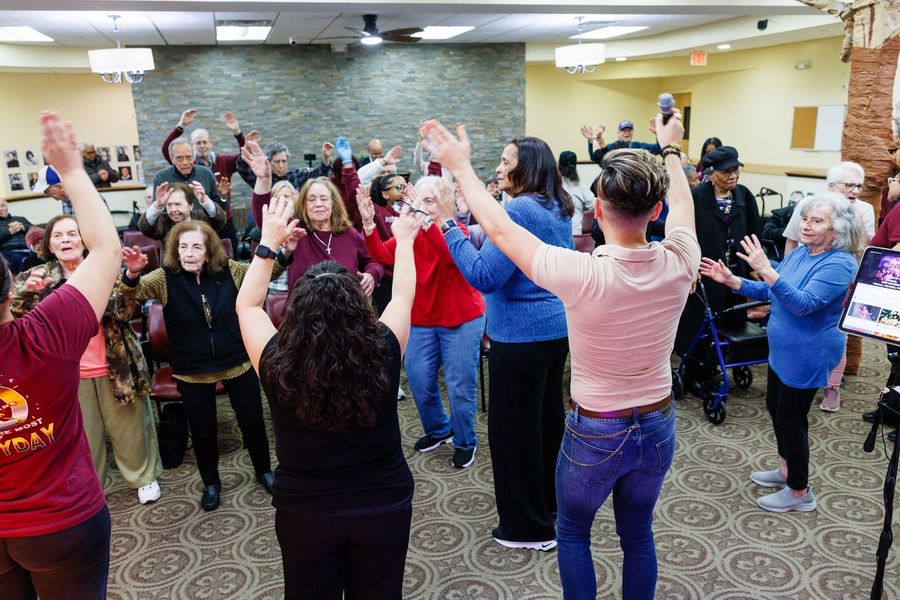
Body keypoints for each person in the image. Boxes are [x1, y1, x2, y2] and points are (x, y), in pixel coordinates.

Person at [421, 108, 696, 599]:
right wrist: (671, 150)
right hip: (659, 423)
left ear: (596, 211)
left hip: (597, 428)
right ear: (655, 212)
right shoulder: (681, 261)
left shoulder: (581, 274)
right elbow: (683, 204)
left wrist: (460, 168)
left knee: (572, 533)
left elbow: (501, 234)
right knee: (637, 534)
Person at [235, 194, 419, 600]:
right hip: (382, 503)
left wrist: (267, 245)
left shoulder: (276, 361)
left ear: (295, 312)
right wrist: (404, 242)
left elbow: (247, 305)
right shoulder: (383, 350)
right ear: (359, 307)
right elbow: (403, 297)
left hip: (305, 510)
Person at [0, 111, 122, 599]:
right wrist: (72, 172)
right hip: (63, 522)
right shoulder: (45, 333)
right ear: (10, 291)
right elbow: (106, 252)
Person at [438, 134, 573, 551]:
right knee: (546, 427)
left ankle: (527, 528)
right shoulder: (557, 205)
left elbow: (483, 276)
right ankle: (549, 507)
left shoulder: (521, 209)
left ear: (526, 169)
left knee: (514, 434)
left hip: (520, 338)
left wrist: (450, 227)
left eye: (504, 161)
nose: (497, 168)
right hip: (554, 332)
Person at [700, 193, 858, 513]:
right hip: (782, 350)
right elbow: (773, 290)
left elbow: (803, 304)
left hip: (808, 354)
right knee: (776, 407)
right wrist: (734, 281)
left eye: (817, 221)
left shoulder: (840, 264)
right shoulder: (802, 253)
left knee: (792, 420)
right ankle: (786, 470)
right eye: (805, 219)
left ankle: (800, 492)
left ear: (837, 230)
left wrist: (765, 268)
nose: (807, 226)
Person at [120, 220, 279, 510]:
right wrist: (131, 273)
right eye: (183, 247)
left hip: (236, 362)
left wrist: (285, 250)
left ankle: (264, 471)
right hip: (192, 370)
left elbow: (268, 271)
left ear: (209, 252)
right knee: (203, 431)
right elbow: (132, 292)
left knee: (253, 422)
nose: (189, 253)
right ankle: (211, 484)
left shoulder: (230, 270)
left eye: (196, 246)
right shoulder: (164, 277)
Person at [13, 214, 162, 504]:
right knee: (82, 434)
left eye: (72, 234)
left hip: (114, 365)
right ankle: (91, 484)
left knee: (129, 427)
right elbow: (14, 314)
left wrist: (131, 277)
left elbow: (123, 312)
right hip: (65, 372)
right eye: (58, 235)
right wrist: (27, 292)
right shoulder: (38, 277)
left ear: (84, 241)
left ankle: (143, 477)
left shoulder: (102, 270)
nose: (66, 240)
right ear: (49, 245)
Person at [361, 176, 486, 468]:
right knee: (419, 380)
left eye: (428, 201)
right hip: (422, 319)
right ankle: (439, 430)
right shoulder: (411, 234)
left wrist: (428, 221)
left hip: (461, 317)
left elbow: (448, 256)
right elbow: (381, 253)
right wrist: (369, 225)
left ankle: (465, 440)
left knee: (459, 384)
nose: (420, 207)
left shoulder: (457, 230)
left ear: (446, 204)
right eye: (417, 200)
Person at [243, 140, 383, 295]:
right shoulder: (295, 229)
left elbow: (373, 262)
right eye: (311, 199)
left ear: (333, 203)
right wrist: (263, 180)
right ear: (303, 204)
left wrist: (372, 274)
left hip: (344, 312)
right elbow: (264, 218)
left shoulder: (349, 234)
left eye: (324, 199)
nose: (318, 204)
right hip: (304, 313)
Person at [675, 145, 760, 396]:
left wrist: (755, 266)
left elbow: (755, 233)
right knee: (700, 322)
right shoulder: (696, 197)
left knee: (730, 320)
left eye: (736, 170)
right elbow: (684, 234)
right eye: (727, 172)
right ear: (711, 173)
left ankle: (716, 368)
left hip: (735, 274)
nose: (733, 176)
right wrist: (690, 266)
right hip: (703, 273)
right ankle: (693, 373)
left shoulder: (744, 196)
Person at [160, 109, 251, 249]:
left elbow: (244, 157)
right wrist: (181, 125)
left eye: (204, 142)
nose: (202, 146)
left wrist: (237, 133)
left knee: (230, 256)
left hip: (224, 218)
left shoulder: (224, 160)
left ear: (211, 143)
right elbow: (168, 149)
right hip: (197, 220)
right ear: (192, 146)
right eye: (197, 143)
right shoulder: (188, 164)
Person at [138, 181, 226, 245]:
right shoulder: (164, 221)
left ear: (191, 205)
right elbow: (145, 228)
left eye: (178, 204)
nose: (173, 210)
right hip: (171, 269)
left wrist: (205, 201)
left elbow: (219, 219)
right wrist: (158, 205)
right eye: (169, 205)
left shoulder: (201, 217)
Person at [581, 120, 662, 166]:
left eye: (629, 130)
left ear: (633, 132)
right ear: (618, 133)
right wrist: (591, 140)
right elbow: (594, 158)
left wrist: (658, 133)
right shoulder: (610, 147)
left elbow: (658, 149)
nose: (627, 133)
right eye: (624, 130)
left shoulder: (640, 146)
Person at [558, 150, 594, 235]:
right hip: (575, 233)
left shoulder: (552, 185)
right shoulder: (580, 186)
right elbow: (594, 205)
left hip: (556, 233)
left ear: (558, 165)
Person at [0, 198, 33, 273]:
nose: (0, 208)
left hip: (29, 249)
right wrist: (9, 231)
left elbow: (36, 231)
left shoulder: (20, 219)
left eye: (2, 206)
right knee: (21, 260)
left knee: (40, 256)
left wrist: (23, 227)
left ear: (6, 207)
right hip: (8, 251)